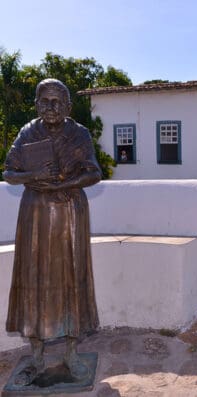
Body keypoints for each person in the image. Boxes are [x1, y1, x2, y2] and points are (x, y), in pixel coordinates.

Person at [3, 79, 101, 385]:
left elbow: (94, 172)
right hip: (35, 215)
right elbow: (8, 171)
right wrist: (34, 175)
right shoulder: (27, 133)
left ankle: (72, 353)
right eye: (44, 101)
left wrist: (64, 184)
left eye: (58, 102)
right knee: (35, 278)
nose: (51, 107)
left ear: (69, 106)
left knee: (73, 277)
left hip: (70, 212)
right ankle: (36, 354)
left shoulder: (79, 134)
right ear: (36, 104)